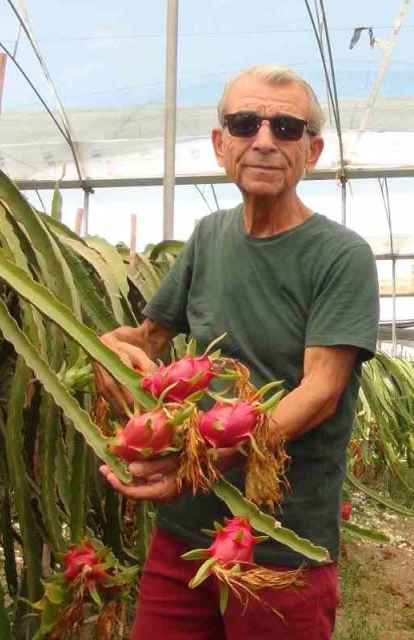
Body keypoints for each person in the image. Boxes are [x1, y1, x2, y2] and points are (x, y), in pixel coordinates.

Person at [92, 64, 379, 640]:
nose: (265, 140)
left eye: (288, 128)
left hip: (281, 537)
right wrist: (105, 349)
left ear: (313, 150)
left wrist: (201, 463)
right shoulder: (206, 237)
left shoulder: (342, 256)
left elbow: (319, 393)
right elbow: (146, 338)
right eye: (246, 123)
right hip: (184, 529)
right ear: (222, 143)